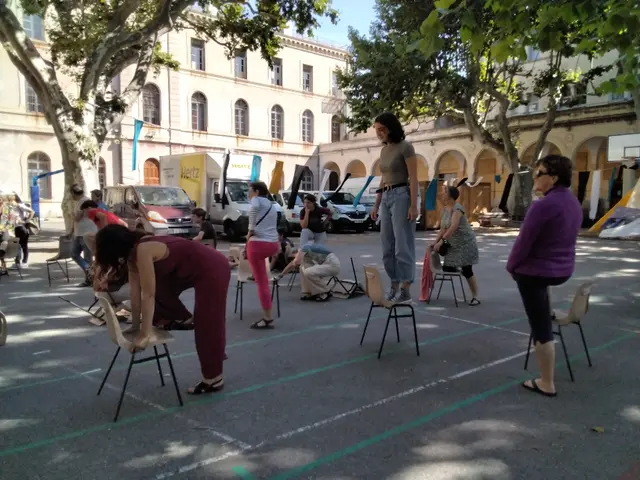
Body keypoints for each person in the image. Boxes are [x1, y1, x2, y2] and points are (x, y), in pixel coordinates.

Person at [93, 225, 230, 395]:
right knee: (157, 289)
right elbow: (136, 294)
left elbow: (147, 295)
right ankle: (183, 318)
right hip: (185, 270)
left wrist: (145, 334)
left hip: (212, 267)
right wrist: (137, 326)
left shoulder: (143, 249)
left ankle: (214, 379)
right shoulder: (131, 254)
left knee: (208, 323)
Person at [507, 154, 582, 398]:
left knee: (540, 328)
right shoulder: (573, 203)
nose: (535, 178)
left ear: (554, 178)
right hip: (561, 270)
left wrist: (512, 267)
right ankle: (546, 312)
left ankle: (546, 382)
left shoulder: (543, 206)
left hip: (536, 273)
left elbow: (523, 243)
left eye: (539, 173)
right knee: (542, 309)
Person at [370, 112, 419, 303]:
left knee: (402, 245)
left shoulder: (406, 147)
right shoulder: (384, 151)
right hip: (387, 196)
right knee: (386, 246)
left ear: (391, 128)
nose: (379, 133)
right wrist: (376, 203)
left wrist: (413, 205)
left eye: (382, 129)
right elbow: (383, 179)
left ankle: (406, 288)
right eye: (377, 130)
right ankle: (394, 284)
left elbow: (414, 177)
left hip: (401, 195)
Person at [429, 186, 481, 305]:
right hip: (453, 244)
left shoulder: (457, 208)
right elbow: (443, 228)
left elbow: (453, 227)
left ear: (451, 195)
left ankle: (475, 297)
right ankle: (460, 268)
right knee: (448, 268)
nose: (442, 193)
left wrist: (442, 242)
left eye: (445, 192)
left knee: (467, 270)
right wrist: (435, 241)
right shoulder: (444, 210)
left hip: (465, 243)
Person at [245, 181, 280, 329]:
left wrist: (250, 230)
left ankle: (267, 318)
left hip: (257, 244)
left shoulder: (256, 200)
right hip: (272, 244)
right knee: (262, 277)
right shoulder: (272, 204)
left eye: (250, 191)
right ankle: (255, 273)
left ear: (257, 192)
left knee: (263, 283)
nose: (249, 194)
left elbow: (253, 210)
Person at [69, 184, 97, 287]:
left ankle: (89, 279)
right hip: (79, 233)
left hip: (86, 233)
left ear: (73, 193)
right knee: (74, 254)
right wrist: (72, 231)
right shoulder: (79, 202)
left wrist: (73, 216)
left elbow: (77, 218)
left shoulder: (85, 202)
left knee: (87, 257)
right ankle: (89, 271)